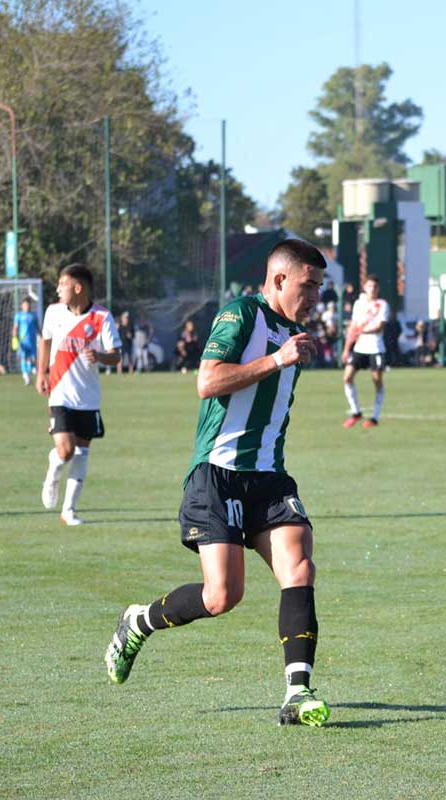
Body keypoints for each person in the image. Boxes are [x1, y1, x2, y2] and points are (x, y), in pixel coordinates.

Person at [104, 239, 330, 728]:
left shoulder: (296, 332)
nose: (315, 297)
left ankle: (298, 693)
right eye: (308, 286)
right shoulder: (241, 315)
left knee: (300, 569)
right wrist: (277, 360)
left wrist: (287, 354)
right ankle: (137, 622)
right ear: (278, 280)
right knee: (221, 596)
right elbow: (207, 381)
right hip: (218, 474)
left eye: (319, 288)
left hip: (268, 476)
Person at [36, 265, 122, 526]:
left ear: (78, 288)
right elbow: (46, 341)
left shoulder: (101, 317)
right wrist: (41, 372)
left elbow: (116, 355)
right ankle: (52, 474)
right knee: (65, 450)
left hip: (87, 398)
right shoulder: (53, 312)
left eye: (63, 284)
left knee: (82, 454)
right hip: (59, 393)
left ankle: (69, 511)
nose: (58, 288)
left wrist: (100, 356)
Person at [340, 275, 389, 428]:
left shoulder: (382, 305)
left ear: (378, 289)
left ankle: (374, 417)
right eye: (370, 286)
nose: (372, 289)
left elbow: (380, 327)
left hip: (376, 348)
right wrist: (346, 349)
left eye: (375, 287)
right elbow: (353, 327)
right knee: (347, 377)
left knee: (377, 381)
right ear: (365, 287)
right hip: (359, 348)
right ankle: (356, 412)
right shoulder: (359, 304)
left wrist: (362, 331)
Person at [13, 298, 39, 386]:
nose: (26, 306)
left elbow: (37, 327)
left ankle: (30, 370)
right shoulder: (19, 315)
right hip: (23, 341)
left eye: (28, 305)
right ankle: (26, 376)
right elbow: (15, 327)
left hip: (32, 342)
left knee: (32, 359)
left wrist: (42, 336)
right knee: (23, 358)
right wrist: (14, 338)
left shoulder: (34, 315)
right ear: (22, 306)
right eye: (24, 305)